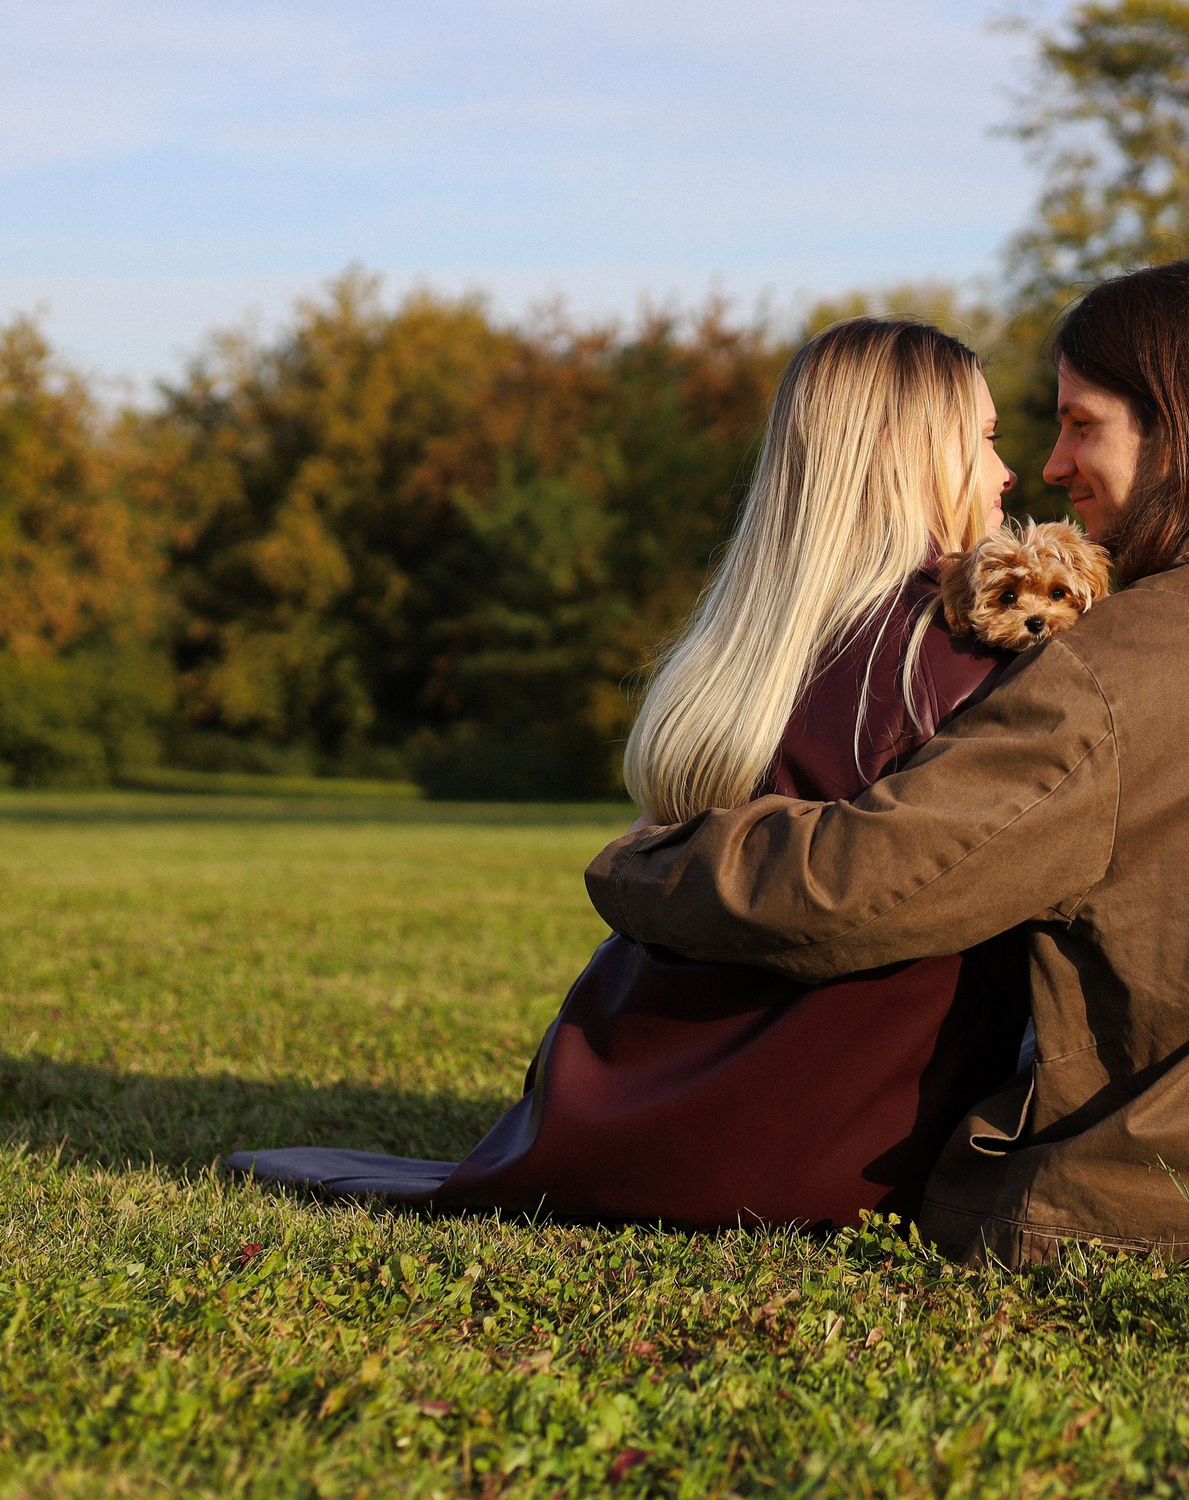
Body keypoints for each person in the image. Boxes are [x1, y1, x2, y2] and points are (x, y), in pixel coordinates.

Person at [588, 257, 1189, 1263]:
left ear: (1184, 430)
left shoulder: (1114, 667)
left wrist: (651, 863)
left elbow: (860, 889)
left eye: (1081, 424)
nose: (1049, 466)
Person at [229, 317, 1027, 1226]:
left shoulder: (755, 646)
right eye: (987, 439)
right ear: (908, 450)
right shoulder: (969, 648)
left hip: (621, 1110)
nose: (1008, 471)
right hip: (845, 1152)